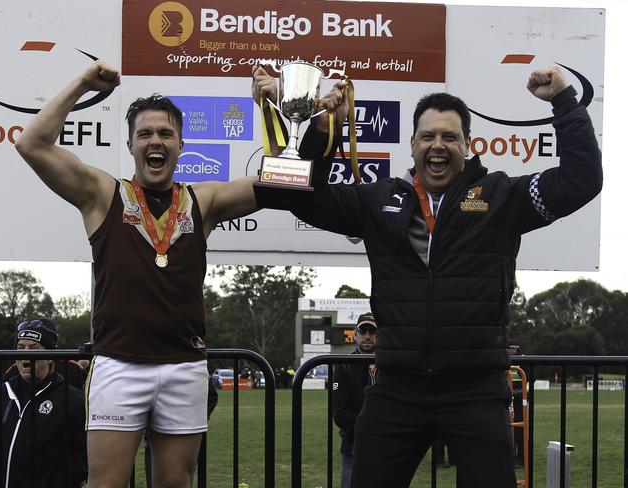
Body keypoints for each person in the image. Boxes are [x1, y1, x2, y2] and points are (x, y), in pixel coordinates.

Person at [252, 65, 602, 487]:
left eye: (450, 137)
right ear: (413, 144)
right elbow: (302, 198)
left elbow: (581, 180)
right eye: (429, 136)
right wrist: (325, 128)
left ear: (468, 145)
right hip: (396, 388)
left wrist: (564, 100)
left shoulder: (501, 196)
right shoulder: (380, 199)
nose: (439, 146)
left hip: (476, 390)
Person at [14, 60, 258, 488]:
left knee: (174, 484)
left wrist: (275, 108)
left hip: (184, 365)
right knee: (105, 484)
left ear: (181, 144)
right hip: (119, 365)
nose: (155, 141)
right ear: (130, 145)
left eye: (165, 133)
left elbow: (284, 181)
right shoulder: (102, 194)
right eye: (145, 134)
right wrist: (83, 83)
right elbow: (31, 144)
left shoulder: (205, 200)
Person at [0, 319, 87, 488]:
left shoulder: (73, 401)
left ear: (51, 357)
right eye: (20, 348)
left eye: (34, 348)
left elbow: (82, 459)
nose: (25, 354)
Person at [333, 312, 377, 488]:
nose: (367, 336)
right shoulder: (343, 365)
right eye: (363, 330)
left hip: (386, 449)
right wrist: (370, 427)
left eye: (372, 331)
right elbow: (340, 414)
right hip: (353, 448)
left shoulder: (390, 365)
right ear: (355, 334)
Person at [508, 338, 524, 468]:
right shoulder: (507, 360)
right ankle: (511, 457)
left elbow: (529, 378)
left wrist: (518, 392)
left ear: (515, 349)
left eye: (509, 349)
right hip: (508, 397)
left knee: (519, 429)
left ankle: (521, 458)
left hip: (519, 398)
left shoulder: (522, 360)